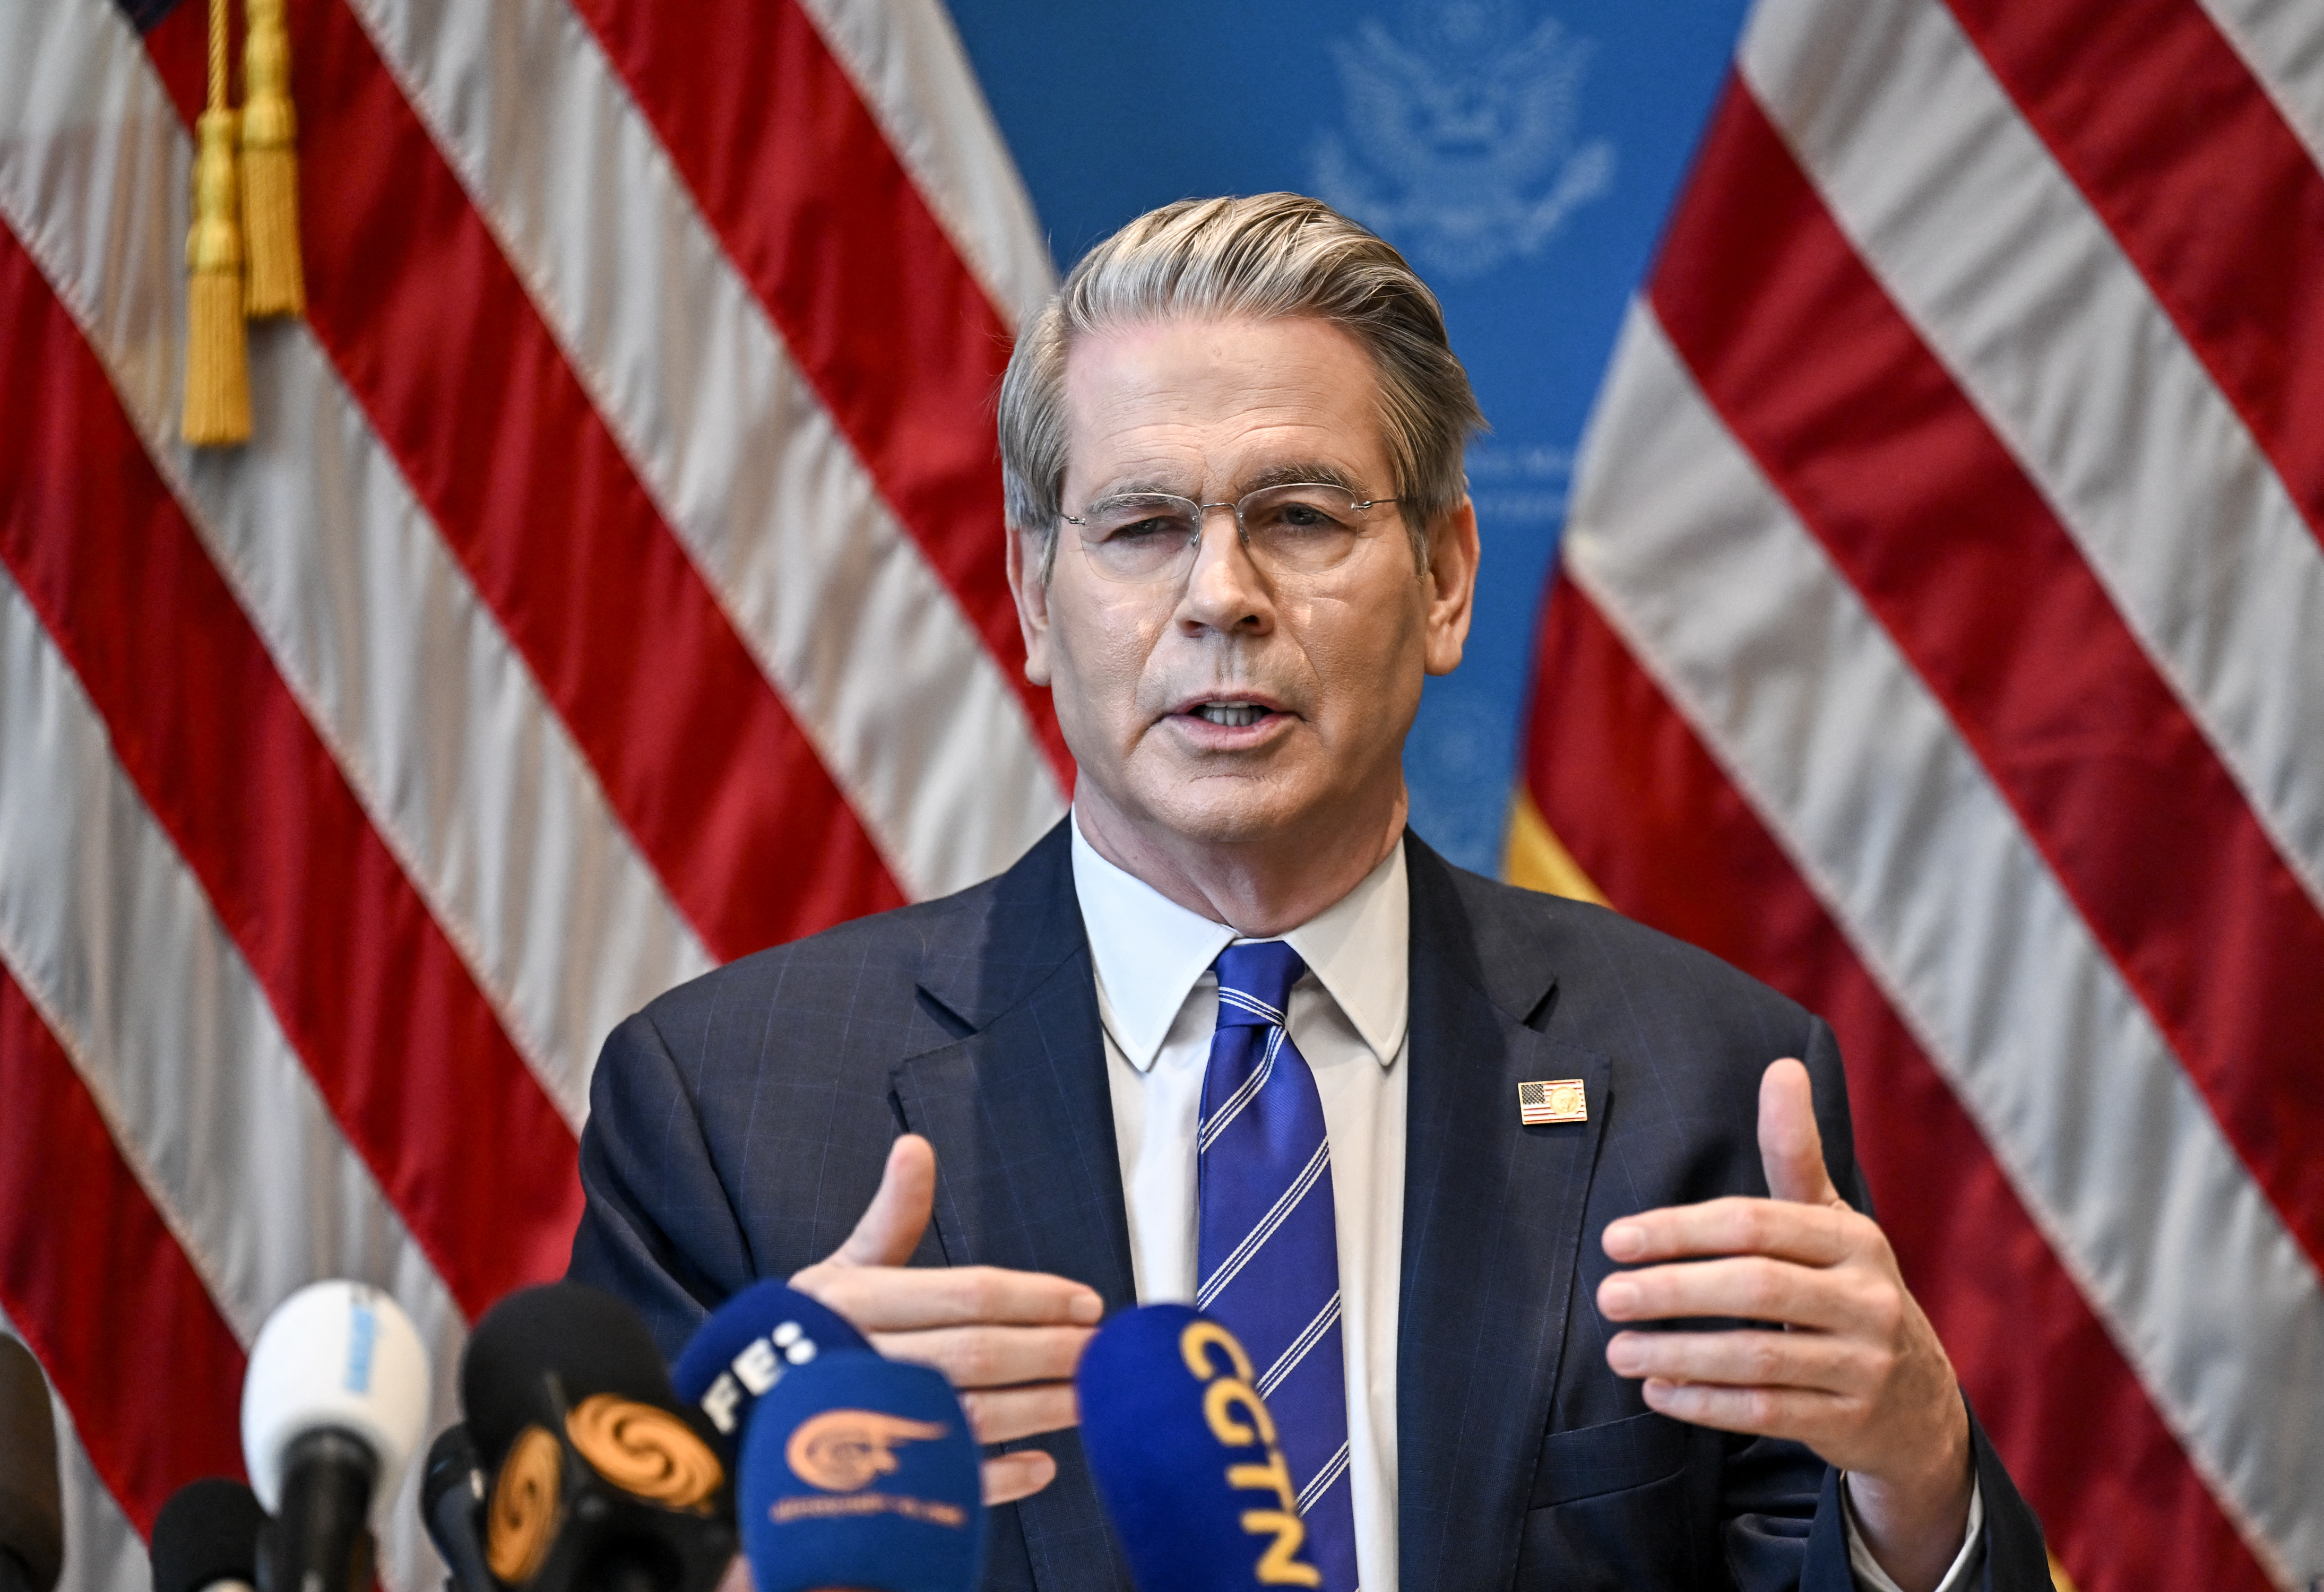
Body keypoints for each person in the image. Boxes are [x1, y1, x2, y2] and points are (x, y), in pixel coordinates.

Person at [571, 194, 2050, 1591]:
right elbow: (529, 1535)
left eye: (1297, 516)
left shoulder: (1704, 1084)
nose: (1220, 595)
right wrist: (722, 1497)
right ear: (1033, 599)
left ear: (1446, 578)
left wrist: (1914, 1470)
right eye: (1143, 527)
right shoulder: (735, 1105)